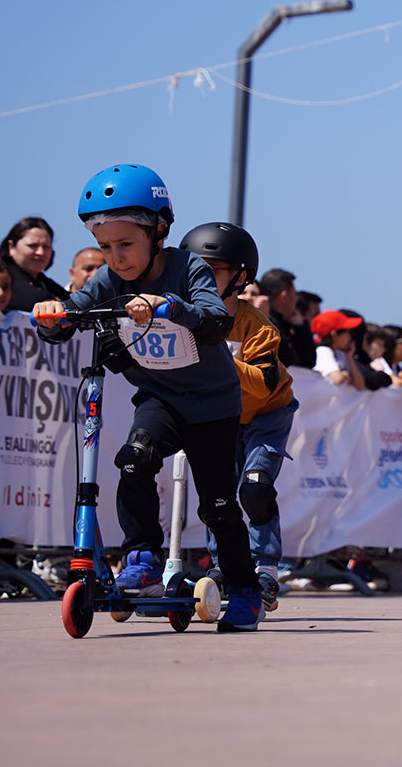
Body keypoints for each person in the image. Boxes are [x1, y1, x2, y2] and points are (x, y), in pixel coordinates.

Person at [32, 164, 261, 631]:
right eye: (105, 247)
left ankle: (245, 588)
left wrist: (170, 307)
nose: (115, 258)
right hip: (161, 398)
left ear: (159, 231)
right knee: (133, 459)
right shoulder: (109, 281)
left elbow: (216, 320)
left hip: (213, 404)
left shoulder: (186, 266)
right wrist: (51, 316)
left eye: (125, 245)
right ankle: (141, 557)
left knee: (217, 505)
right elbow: (74, 314)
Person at [180, 222, 299, 616]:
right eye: (196, 268)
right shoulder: (185, 319)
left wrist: (223, 362)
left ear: (240, 277)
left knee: (255, 488)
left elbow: (264, 386)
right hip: (221, 414)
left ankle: (265, 566)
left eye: (214, 270)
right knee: (218, 493)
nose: (203, 278)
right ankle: (224, 563)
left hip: (267, 414)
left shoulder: (257, 327)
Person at [0, 217, 68, 312]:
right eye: (33, 246)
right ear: (11, 247)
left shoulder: (51, 286)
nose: (40, 252)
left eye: (46, 247)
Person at [259, 268, 316, 368]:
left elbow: (309, 362)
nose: (296, 298)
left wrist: (300, 327)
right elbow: (289, 362)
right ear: (284, 297)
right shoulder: (264, 324)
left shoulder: (289, 322)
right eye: (294, 293)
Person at [311, 309, 367, 388]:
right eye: (348, 333)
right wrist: (345, 374)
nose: (351, 337)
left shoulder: (341, 354)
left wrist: (350, 358)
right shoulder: (323, 351)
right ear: (334, 334)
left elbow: (360, 386)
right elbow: (338, 379)